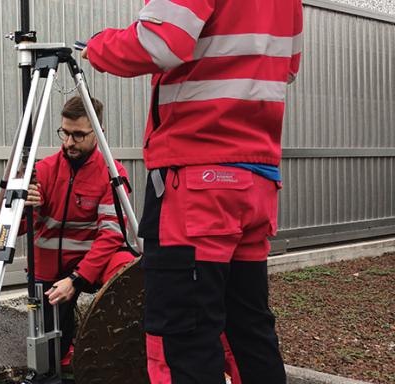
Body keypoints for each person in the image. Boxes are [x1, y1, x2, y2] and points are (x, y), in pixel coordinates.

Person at [81, 0, 303, 382]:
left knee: (182, 336)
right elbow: (289, 67)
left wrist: (97, 46)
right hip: (257, 180)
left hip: (197, 180)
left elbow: (158, 42)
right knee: (249, 330)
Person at [22, 95, 135, 374]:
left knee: (127, 272)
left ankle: (124, 349)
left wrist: (76, 279)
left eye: (79, 135)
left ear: (98, 133)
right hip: (50, 265)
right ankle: (66, 347)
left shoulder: (113, 173)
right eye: (65, 133)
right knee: (50, 359)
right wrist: (25, 209)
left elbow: (111, 235)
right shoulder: (43, 170)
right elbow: (19, 231)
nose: (69, 142)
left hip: (94, 262)